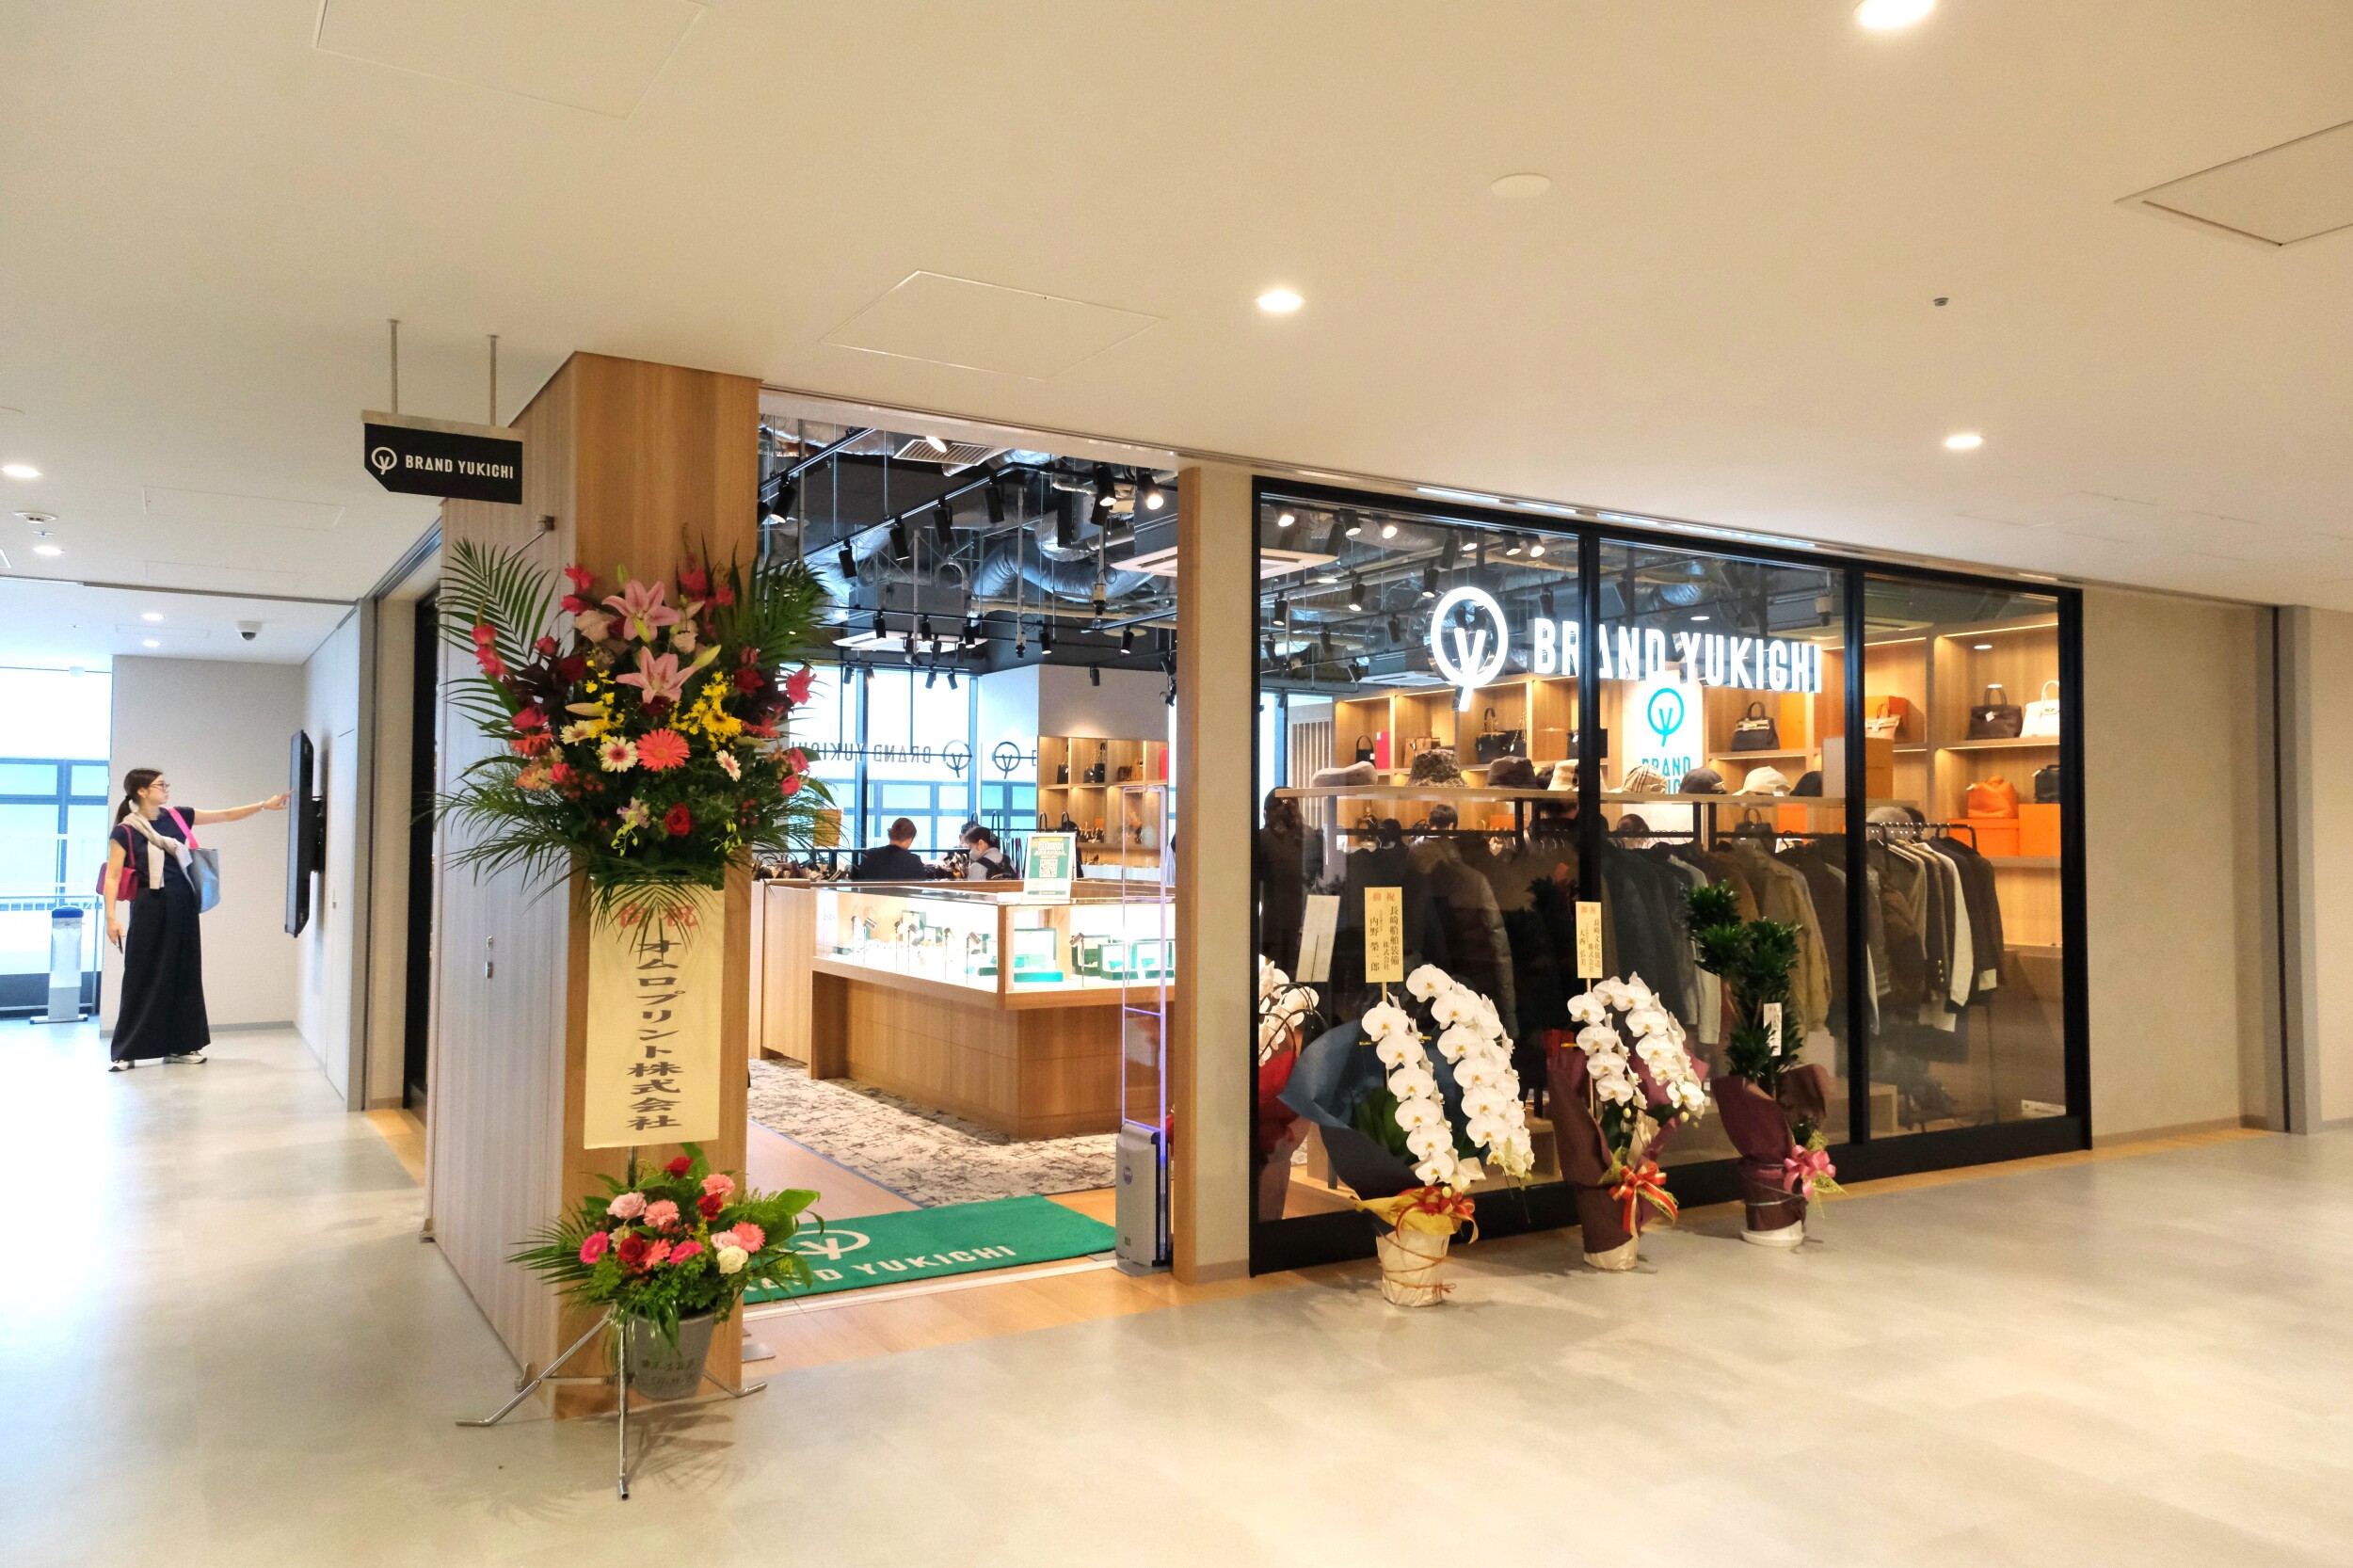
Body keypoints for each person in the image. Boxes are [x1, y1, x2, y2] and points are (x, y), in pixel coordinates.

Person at [102, 768, 289, 1070]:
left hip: (183, 903)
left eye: (166, 784)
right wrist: (111, 918)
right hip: (149, 906)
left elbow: (225, 815)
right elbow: (112, 877)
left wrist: (263, 806)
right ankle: (127, 1050)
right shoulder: (125, 831)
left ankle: (182, 1046)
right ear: (142, 791)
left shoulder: (178, 816)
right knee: (140, 973)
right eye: (160, 785)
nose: (166, 788)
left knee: (184, 972)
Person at [852, 816, 935, 882]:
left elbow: (860, 878)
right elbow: (920, 888)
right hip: (901, 899)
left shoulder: (870, 854)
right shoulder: (913, 860)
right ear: (909, 840)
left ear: (891, 835)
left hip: (869, 898)